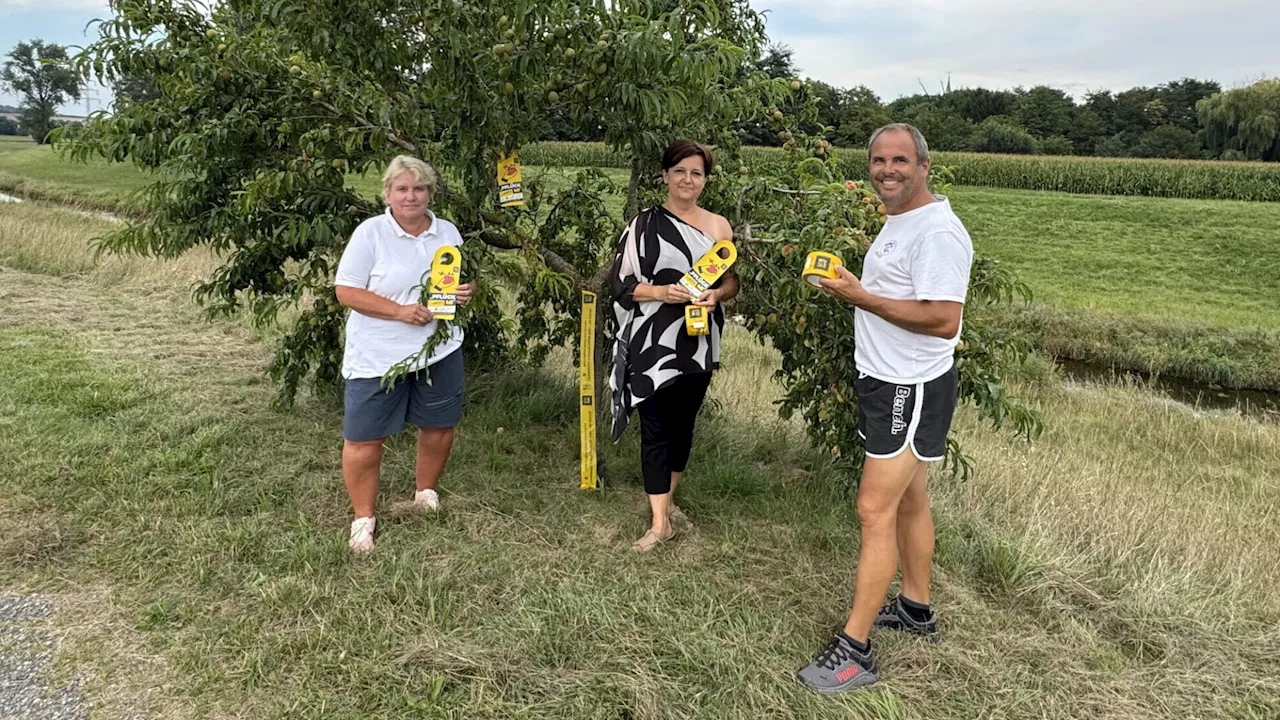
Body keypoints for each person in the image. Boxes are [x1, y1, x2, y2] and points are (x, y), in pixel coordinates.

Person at [796, 124, 974, 693]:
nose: (887, 170)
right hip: (891, 381)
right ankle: (917, 609)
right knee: (909, 498)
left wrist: (860, 296)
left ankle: (855, 650)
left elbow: (944, 317)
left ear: (924, 165)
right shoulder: (903, 221)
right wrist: (858, 287)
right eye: (878, 160)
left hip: (908, 387)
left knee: (874, 510)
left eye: (900, 160)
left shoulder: (937, 232)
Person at [333, 155, 476, 553]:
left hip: (440, 349)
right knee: (363, 438)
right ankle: (363, 517)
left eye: (419, 188)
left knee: (439, 425)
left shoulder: (447, 231)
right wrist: (399, 311)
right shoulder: (370, 233)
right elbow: (346, 291)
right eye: (402, 189)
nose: (411, 196)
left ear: (430, 193)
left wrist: (466, 292)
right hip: (378, 355)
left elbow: (461, 280)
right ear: (388, 194)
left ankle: (425, 492)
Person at [609, 139, 740, 552]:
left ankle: (668, 501)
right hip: (652, 340)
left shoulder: (719, 226)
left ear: (705, 180)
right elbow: (620, 283)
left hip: (699, 340)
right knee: (655, 427)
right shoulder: (642, 224)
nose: (688, 179)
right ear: (665, 175)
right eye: (680, 170)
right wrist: (663, 292)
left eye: (696, 173)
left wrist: (716, 297)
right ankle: (659, 522)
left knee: (684, 426)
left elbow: (731, 281)